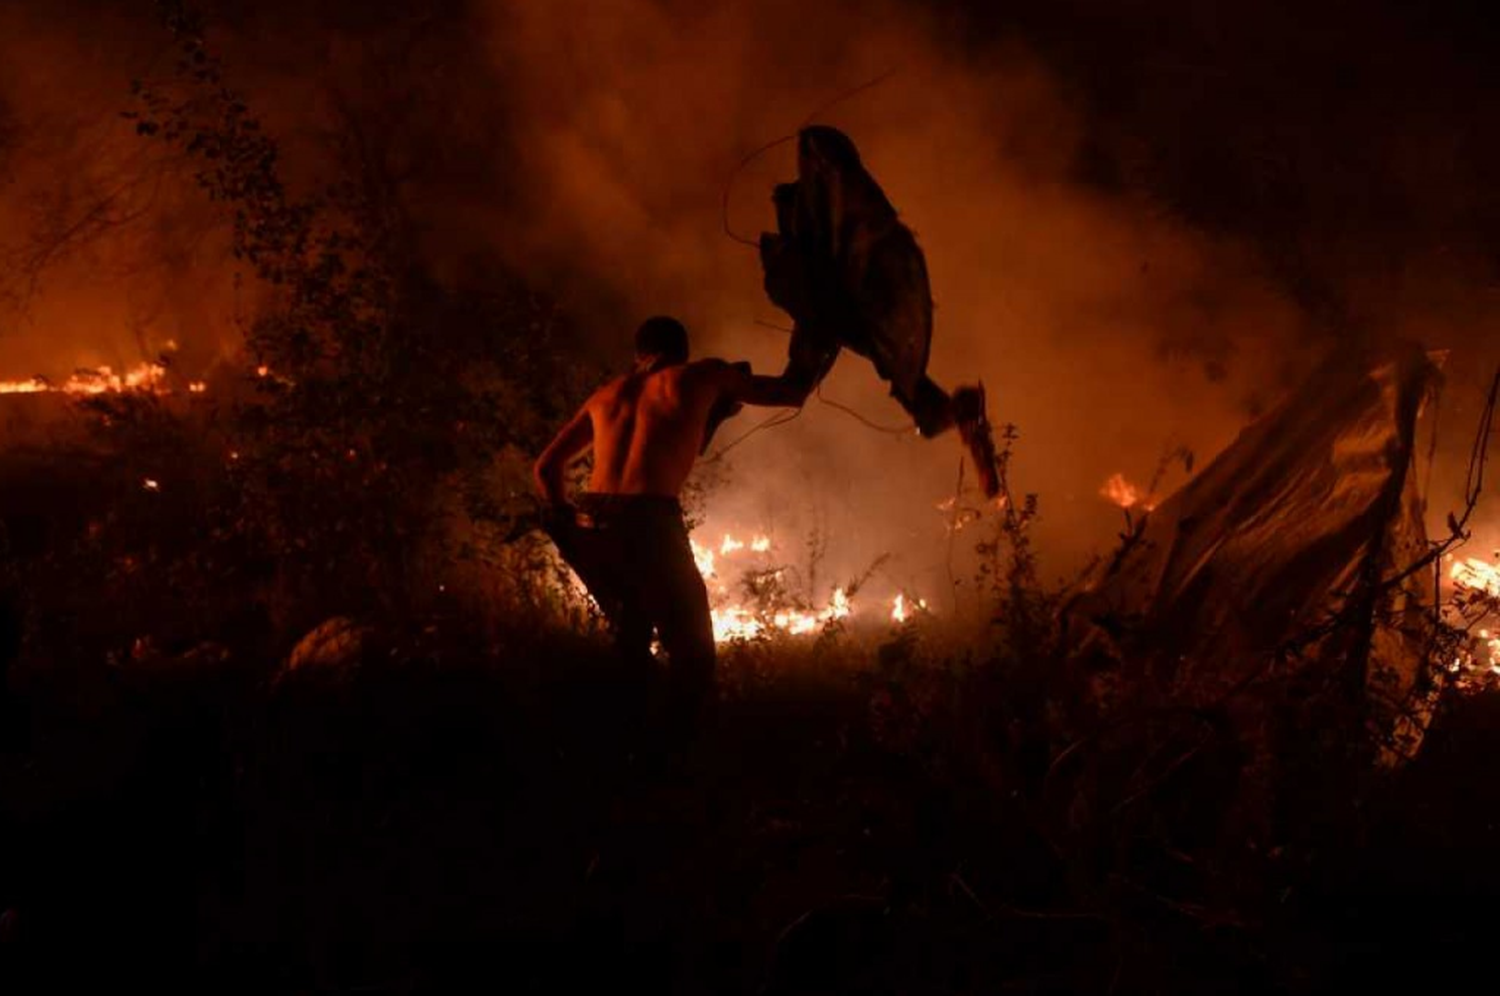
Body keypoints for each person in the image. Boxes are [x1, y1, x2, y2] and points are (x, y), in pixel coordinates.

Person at [533, 316, 808, 743]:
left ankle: (615, 749)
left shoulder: (607, 394)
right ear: (683, 352)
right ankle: (665, 761)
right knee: (693, 656)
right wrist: (819, 341)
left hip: (593, 522)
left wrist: (569, 517)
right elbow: (791, 393)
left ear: (639, 354)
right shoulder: (703, 374)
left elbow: (546, 468)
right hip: (649, 521)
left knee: (632, 641)